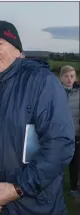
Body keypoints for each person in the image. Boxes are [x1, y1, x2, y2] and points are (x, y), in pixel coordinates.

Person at [0, 20, 75, 215]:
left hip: (36, 207)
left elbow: (60, 143)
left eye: (0, 43)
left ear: (18, 51)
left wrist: (17, 188)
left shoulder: (41, 82)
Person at [60, 65, 80, 199]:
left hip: (76, 134)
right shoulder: (54, 91)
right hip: (59, 135)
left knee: (76, 163)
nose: (69, 79)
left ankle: (74, 189)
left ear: (76, 78)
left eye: (72, 76)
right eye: (66, 76)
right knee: (58, 163)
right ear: (61, 77)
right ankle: (55, 187)